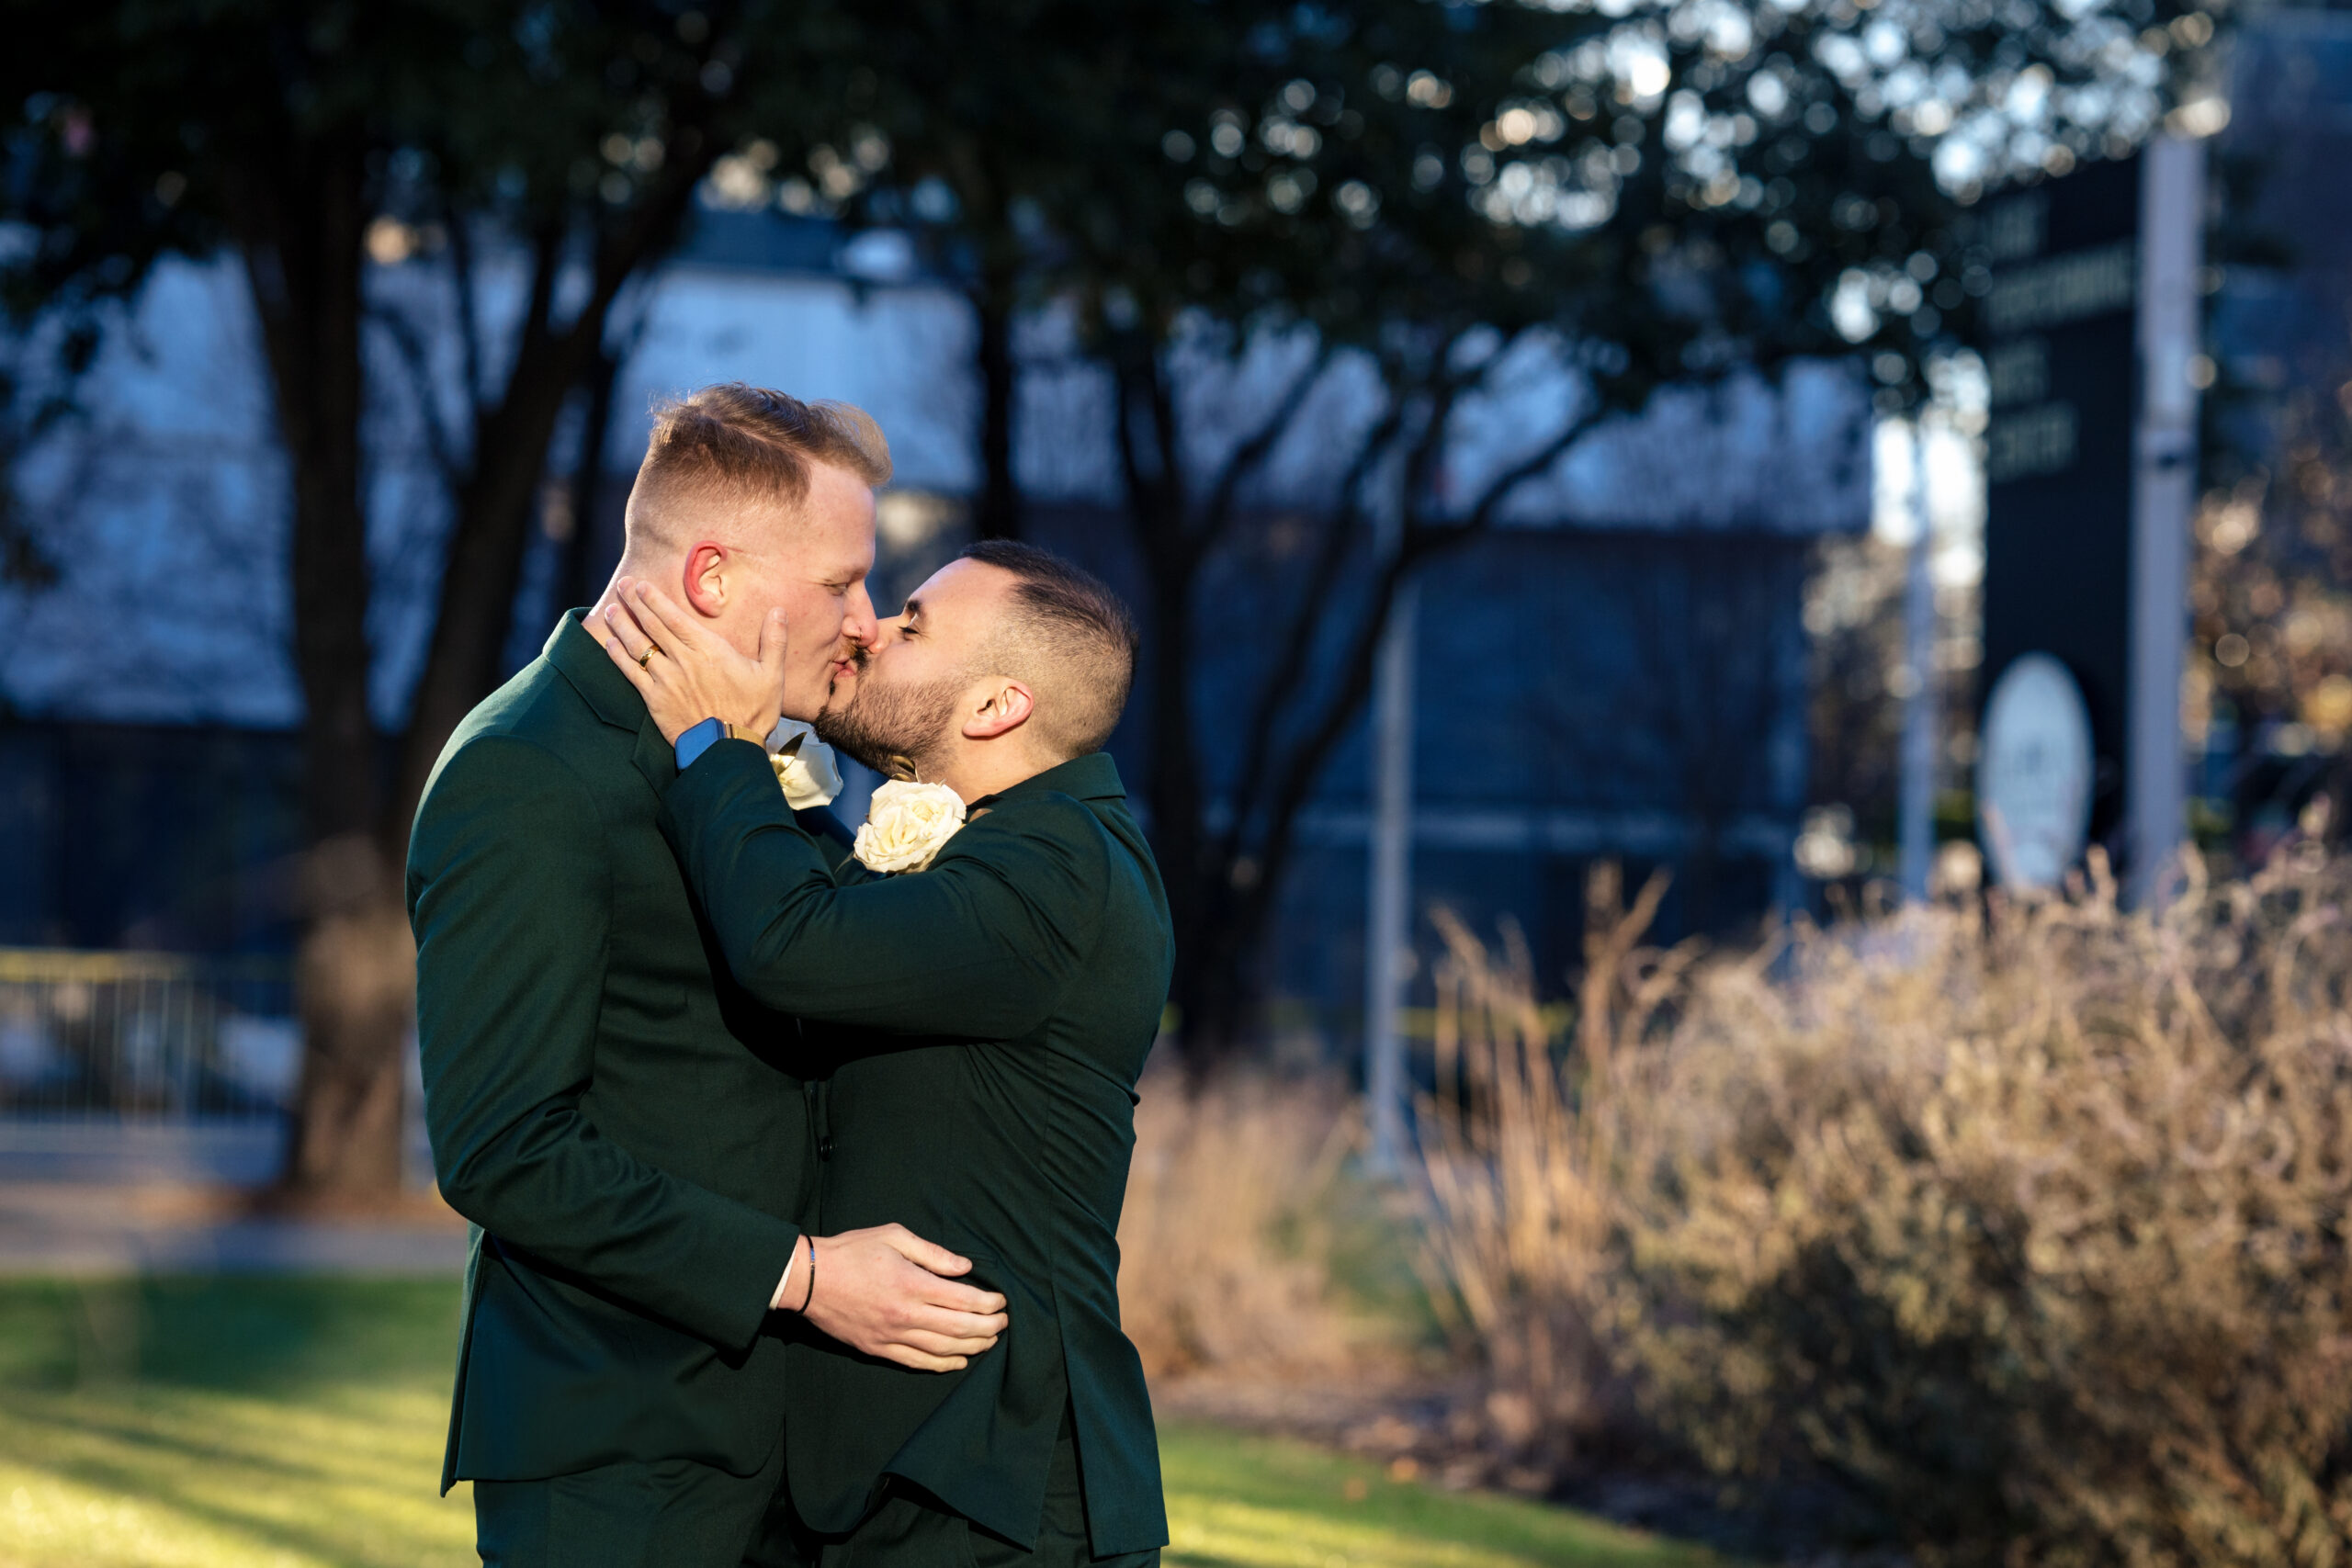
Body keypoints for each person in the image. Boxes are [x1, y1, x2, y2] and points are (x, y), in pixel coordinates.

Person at [408, 384, 1010, 1568]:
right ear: (713, 582)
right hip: (618, 1455)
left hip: (792, 1453)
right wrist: (803, 1277)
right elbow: (503, 1149)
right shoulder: (523, 773)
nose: (866, 616)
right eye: (841, 582)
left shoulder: (739, 750)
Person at [597, 537, 1173, 1568]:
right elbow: (852, 930)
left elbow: (794, 948)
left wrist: (714, 746)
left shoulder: (1060, 864)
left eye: (912, 625)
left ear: (995, 707)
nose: (869, 628)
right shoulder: (1020, 849)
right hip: (919, 1474)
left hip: (993, 1487)